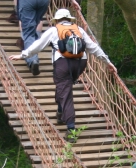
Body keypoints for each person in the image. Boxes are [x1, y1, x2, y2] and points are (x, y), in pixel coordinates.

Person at [9, 8, 111, 142]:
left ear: (56, 20)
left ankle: (71, 129)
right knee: (63, 89)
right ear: (69, 19)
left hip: (62, 64)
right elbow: (93, 47)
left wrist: (22, 55)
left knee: (66, 94)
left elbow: (38, 45)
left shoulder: (53, 30)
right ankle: (60, 112)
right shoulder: (79, 29)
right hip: (80, 64)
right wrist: (107, 62)